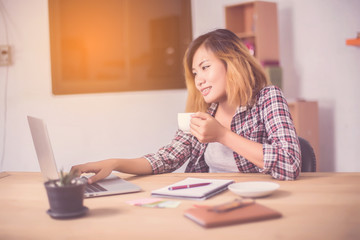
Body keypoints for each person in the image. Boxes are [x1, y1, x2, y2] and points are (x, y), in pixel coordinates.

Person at [71, 29, 301, 182]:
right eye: (194, 73)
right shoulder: (204, 113)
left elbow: (290, 163)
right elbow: (167, 158)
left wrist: (222, 135)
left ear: (232, 63)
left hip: (257, 203)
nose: (198, 79)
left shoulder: (267, 98)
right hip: (210, 202)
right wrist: (114, 163)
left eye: (205, 67)